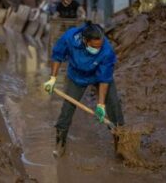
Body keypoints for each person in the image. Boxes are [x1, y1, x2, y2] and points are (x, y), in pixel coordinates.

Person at [43, 21, 125, 157]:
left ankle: (121, 142)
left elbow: (104, 79)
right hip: (77, 76)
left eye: (100, 46)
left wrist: (100, 105)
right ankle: (60, 143)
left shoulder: (107, 51)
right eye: (94, 47)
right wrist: (53, 79)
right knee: (67, 109)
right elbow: (57, 56)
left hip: (98, 75)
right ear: (85, 41)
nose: (97, 49)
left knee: (114, 106)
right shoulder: (70, 38)